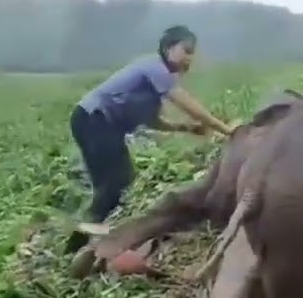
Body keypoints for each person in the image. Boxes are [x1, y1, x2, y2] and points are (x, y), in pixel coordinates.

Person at [63, 26, 228, 253]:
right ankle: (82, 245)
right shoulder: (155, 68)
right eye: (186, 50)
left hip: (97, 123)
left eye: (193, 53)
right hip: (95, 120)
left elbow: (151, 120)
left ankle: (91, 238)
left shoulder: (154, 79)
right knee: (112, 186)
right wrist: (225, 129)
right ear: (169, 47)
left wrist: (185, 128)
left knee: (119, 183)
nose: (190, 57)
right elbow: (187, 104)